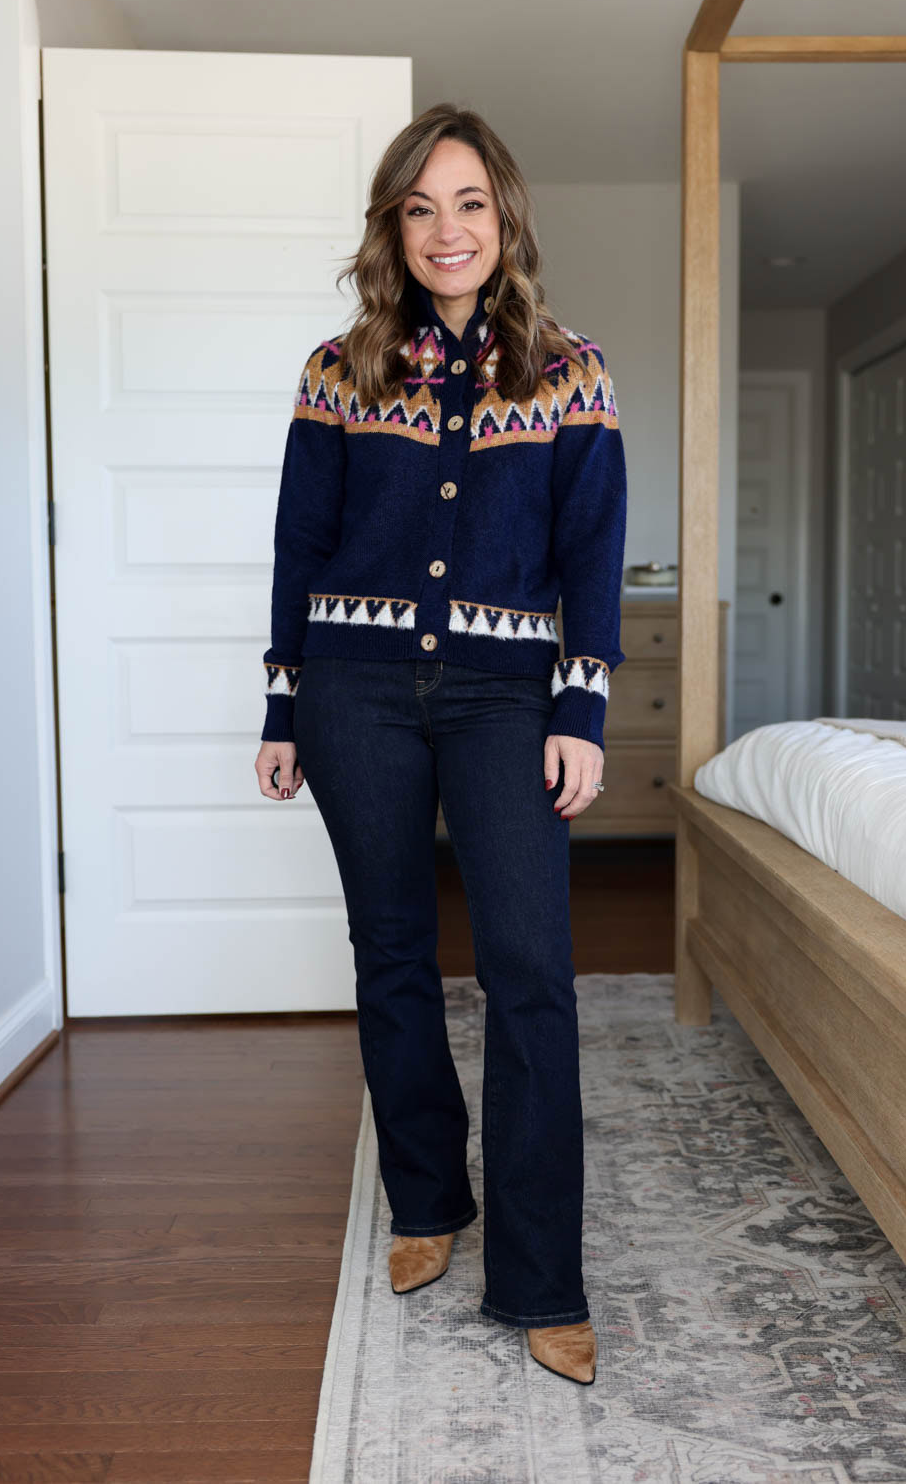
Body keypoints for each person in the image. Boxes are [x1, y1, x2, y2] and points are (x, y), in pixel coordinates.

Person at [254, 103, 627, 1386]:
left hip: (503, 697)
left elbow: (588, 553)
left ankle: (541, 1274)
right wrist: (282, 703)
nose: (446, 229)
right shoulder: (339, 367)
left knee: (528, 969)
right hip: (353, 690)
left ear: (503, 216)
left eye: (468, 202)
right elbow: (300, 546)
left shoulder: (569, 370)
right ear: (393, 227)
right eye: (420, 207)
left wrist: (579, 705)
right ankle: (428, 1200)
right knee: (395, 951)